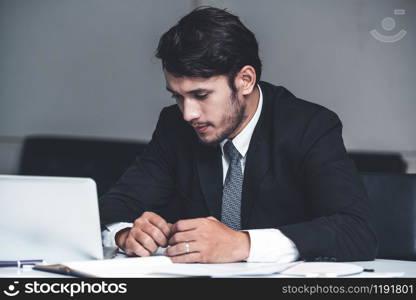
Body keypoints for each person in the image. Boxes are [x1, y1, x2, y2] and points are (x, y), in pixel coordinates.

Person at [99, 6, 377, 263]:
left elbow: (356, 232)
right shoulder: (175, 126)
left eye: (200, 95)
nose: (188, 114)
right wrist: (125, 235)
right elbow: (114, 207)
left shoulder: (309, 127)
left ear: (245, 80)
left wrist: (242, 244)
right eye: (178, 97)